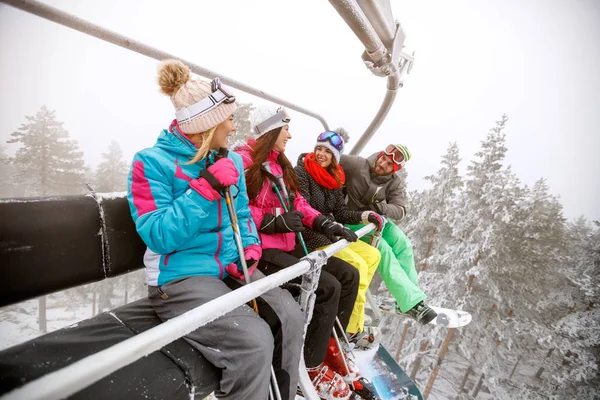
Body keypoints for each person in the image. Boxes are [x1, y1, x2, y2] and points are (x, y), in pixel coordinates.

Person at [127, 59, 304, 400]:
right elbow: (159, 235)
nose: (234, 128)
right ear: (206, 124)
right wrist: (204, 188)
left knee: (289, 315)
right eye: (229, 119)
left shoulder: (231, 161)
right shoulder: (151, 162)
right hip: (179, 278)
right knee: (252, 342)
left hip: (229, 267)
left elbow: (243, 217)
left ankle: (281, 394)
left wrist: (250, 249)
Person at [236, 107, 359, 400]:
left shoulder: (280, 164)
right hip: (262, 249)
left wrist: (325, 223)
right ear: (271, 131)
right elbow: (234, 208)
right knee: (327, 287)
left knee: (347, 273)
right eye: (285, 129)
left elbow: (299, 202)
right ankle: (312, 365)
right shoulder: (244, 161)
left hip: (287, 245)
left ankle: (324, 344)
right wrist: (272, 219)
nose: (290, 135)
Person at [294, 131, 382, 338]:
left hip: (329, 232)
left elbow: (341, 211)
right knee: (357, 266)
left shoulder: (333, 179)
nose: (321, 154)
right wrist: (329, 225)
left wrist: (365, 216)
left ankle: (354, 321)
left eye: (327, 151)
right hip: (311, 235)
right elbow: (302, 207)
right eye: (319, 149)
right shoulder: (302, 172)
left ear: (335, 156)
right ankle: (346, 329)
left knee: (372, 256)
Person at [341, 143, 438, 325]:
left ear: (395, 169)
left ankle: (411, 298)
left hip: (375, 220)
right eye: (383, 159)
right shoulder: (357, 165)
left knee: (403, 244)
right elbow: (332, 157)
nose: (382, 164)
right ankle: (411, 302)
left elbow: (400, 210)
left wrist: (381, 207)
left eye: (388, 165)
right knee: (383, 250)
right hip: (352, 220)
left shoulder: (394, 183)